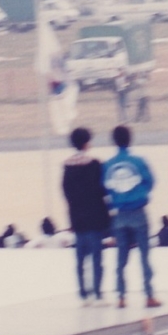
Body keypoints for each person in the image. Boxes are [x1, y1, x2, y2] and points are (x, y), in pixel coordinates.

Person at [103, 125, 161, 309]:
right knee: (144, 256)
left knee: (121, 259)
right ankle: (149, 295)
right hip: (138, 212)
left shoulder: (107, 165)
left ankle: (121, 296)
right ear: (130, 139)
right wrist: (139, 194)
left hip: (119, 215)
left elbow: (105, 189)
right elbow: (151, 182)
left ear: (114, 141)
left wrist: (117, 199)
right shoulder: (139, 161)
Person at [62, 127, 111, 305]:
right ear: (86, 143)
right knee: (97, 257)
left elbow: (66, 193)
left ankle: (83, 294)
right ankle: (97, 293)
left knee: (80, 259)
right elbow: (102, 189)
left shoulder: (67, 166)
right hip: (95, 217)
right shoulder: (95, 164)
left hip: (77, 218)